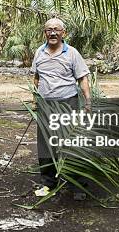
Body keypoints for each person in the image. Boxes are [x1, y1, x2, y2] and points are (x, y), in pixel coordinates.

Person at [31, 17, 91, 198]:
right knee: (45, 145)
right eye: (49, 29)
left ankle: (77, 186)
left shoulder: (72, 53)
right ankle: (48, 183)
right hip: (45, 105)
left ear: (63, 33)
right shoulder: (39, 53)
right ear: (45, 33)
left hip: (67, 103)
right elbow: (36, 77)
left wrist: (88, 102)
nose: (53, 32)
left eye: (57, 29)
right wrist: (35, 97)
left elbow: (82, 78)